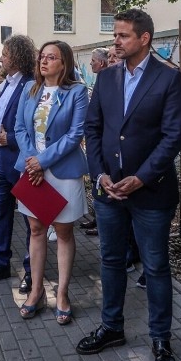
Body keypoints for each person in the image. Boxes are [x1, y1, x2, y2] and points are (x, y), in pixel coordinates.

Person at [78, 9, 181, 361]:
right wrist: (100, 174)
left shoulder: (169, 79)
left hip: (151, 193)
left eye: (123, 36)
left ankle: (161, 340)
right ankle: (112, 327)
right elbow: (92, 130)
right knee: (110, 261)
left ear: (144, 39)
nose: (116, 42)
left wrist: (141, 178)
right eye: (115, 36)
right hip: (109, 192)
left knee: (155, 267)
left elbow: (173, 136)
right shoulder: (106, 77)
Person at [13, 40, 88, 325]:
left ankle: (63, 294)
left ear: (64, 62)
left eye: (51, 57)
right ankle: (35, 292)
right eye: (42, 57)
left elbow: (75, 133)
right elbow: (20, 128)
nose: (44, 62)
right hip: (32, 169)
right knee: (35, 228)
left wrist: (42, 162)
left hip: (63, 170)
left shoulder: (77, 92)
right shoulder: (30, 90)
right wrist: (33, 160)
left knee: (64, 231)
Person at [0, 35, 36, 292]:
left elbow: (36, 126)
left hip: (21, 161)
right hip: (1, 159)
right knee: (1, 213)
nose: (1, 58)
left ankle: (31, 270)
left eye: (5, 53)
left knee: (28, 218)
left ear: (17, 57)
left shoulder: (32, 85)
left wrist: (9, 137)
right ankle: (1, 263)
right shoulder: (7, 84)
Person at [80, 48, 109, 233]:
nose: (90, 63)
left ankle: (101, 223)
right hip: (95, 143)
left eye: (93, 60)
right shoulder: (100, 80)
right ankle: (97, 220)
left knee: (101, 185)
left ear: (102, 63)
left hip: (104, 144)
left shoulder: (108, 82)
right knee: (96, 183)